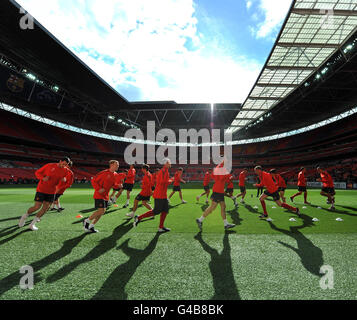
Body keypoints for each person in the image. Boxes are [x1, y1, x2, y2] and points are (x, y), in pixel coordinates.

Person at [18, 157, 71, 231]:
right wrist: (42, 178)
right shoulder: (49, 165)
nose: (64, 166)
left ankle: (32, 224)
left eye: (66, 165)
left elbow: (63, 178)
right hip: (41, 189)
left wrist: (64, 180)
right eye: (63, 164)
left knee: (45, 208)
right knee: (37, 207)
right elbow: (37, 173)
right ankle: (24, 217)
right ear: (60, 161)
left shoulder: (66, 170)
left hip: (52, 191)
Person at [133, 158, 174, 233]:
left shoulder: (165, 171)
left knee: (165, 211)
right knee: (156, 211)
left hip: (162, 195)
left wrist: (170, 180)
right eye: (169, 162)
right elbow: (162, 182)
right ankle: (138, 218)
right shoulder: (163, 171)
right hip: (159, 195)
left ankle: (160, 227)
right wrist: (171, 180)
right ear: (166, 163)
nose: (170, 164)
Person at [196, 161, 236, 231]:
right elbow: (221, 178)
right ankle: (200, 219)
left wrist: (229, 177)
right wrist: (229, 175)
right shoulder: (221, 168)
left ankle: (226, 224)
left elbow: (221, 178)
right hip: (218, 191)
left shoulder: (219, 168)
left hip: (219, 190)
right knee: (212, 207)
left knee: (222, 207)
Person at [82, 160, 119, 233]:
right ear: (111, 165)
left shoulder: (115, 174)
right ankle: (86, 221)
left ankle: (91, 226)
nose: (118, 166)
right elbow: (93, 180)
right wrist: (98, 189)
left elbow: (113, 184)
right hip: (99, 195)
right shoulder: (104, 173)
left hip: (105, 196)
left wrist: (118, 186)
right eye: (116, 165)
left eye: (118, 165)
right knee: (101, 210)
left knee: (102, 212)